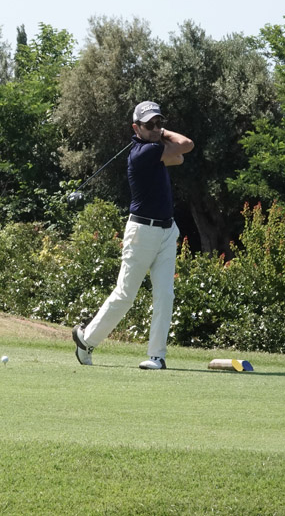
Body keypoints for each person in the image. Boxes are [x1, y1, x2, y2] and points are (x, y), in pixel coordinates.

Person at [72, 101, 194, 370]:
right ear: (135, 128)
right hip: (141, 232)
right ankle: (87, 340)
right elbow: (185, 144)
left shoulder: (152, 149)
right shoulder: (143, 152)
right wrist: (162, 134)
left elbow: (179, 156)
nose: (156, 128)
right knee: (126, 294)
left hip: (165, 230)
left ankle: (156, 356)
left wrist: (158, 132)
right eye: (149, 124)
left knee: (165, 295)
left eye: (159, 122)